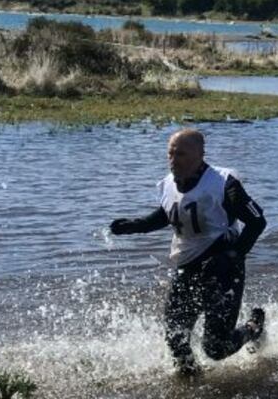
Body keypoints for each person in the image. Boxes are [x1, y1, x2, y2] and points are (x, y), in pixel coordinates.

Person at [109, 128, 268, 377]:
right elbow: (170, 213)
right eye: (170, 153)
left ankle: (253, 327)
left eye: (181, 154)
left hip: (223, 267)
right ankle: (191, 384)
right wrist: (136, 225)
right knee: (176, 338)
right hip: (187, 265)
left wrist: (232, 256)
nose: (174, 160)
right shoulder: (168, 184)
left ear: (200, 155)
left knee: (216, 348)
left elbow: (257, 222)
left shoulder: (224, 184)